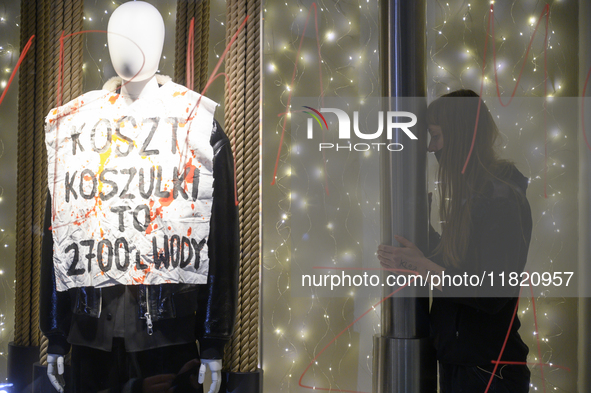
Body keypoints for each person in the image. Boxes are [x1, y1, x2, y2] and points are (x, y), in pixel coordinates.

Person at [40, 2, 239, 393]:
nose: (129, 46)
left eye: (143, 35)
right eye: (119, 35)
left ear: (161, 44)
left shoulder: (195, 128)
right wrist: (57, 332)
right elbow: (57, 234)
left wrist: (213, 340)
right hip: (90, 331)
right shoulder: (79, 127)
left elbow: (219, 240)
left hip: (166, 334)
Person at [377, 89, 532, 392]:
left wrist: (422, 265)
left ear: (461, 136)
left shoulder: (502, 199)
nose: (431, 148)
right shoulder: (476, 194)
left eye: (436, 136)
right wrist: (420, 235)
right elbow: (461, 265)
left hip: (487, 372)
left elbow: (491, 290)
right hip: (466, 365)